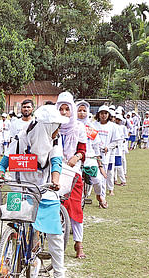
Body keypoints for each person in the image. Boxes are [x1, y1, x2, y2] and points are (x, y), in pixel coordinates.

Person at [0, 104, 69, 278]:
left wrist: (55, 180)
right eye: (56, 127)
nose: (58, 131)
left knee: (55, 235)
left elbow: (56, 162)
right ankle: (9, 258)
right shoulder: (21, 137)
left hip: (45, 191)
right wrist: (0, 173)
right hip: (21, 190)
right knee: (13, 225)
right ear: (47, 127)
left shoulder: (55, 141)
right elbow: (5, 160)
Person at [56, 92, 88, 259]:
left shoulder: (79, 127)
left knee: (75, 207)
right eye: (60, 108)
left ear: (72, 110)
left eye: (66, 109)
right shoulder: (52, 125)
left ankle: (78, 244)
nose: (63, 112)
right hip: (54, 168)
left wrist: (76, 157)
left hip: (72, 170)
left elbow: (83, 150)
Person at [92, 105, 123, 207]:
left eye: (105, 113)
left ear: (108, 114)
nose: (103, 115)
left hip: (104, 155)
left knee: (102, 178)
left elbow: (116, 141)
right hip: (93, 154)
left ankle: (102, 197)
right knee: (91, 176)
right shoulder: (93, 125)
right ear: (98, 114)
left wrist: (108, 147)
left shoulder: (112, 126)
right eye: (101, 113)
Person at [76, 100, 103, 208]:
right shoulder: (71, 126)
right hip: (75, 157)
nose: (82, 113)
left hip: (89, 157)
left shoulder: (91, 127)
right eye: (79, 110)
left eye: (84, 111)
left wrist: (98, 160)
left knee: (97, 180)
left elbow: (96, 145)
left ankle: (99, 195)